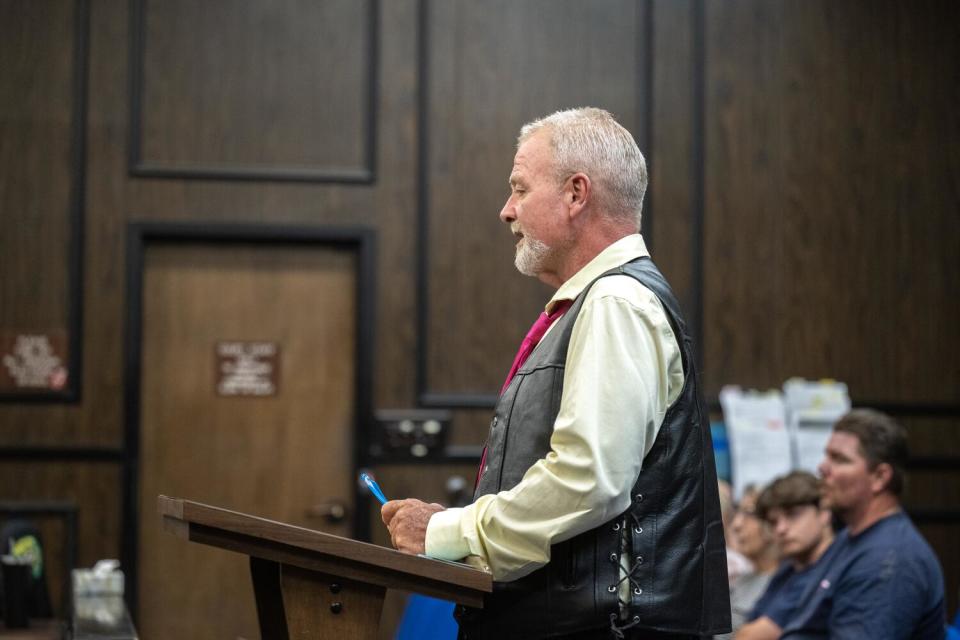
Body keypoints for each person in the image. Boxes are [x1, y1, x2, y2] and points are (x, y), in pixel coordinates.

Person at [381, 107, 730, 639]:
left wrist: (446, 530)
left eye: (519, 189)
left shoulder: (616, 299)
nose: (506, 211)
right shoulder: (599, 300)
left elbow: (585, 479)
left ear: (575, 194)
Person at [754, 409, 945, 639]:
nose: (823, 468)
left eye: (839, 459)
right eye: (827, 456)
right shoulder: (849, 539)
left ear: (880, 477)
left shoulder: (889, 560)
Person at [734, 472, 835, 640]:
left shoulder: (832, 567)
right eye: (773, 522)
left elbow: (749, 637)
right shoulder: (790, 569)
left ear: (824, 512)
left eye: (793, 514)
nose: (781, 529)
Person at [716, 487, 780, 639]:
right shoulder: (740, 579)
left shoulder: (786, 583)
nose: (737, 525)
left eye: (749, 514)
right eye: (738, 513)